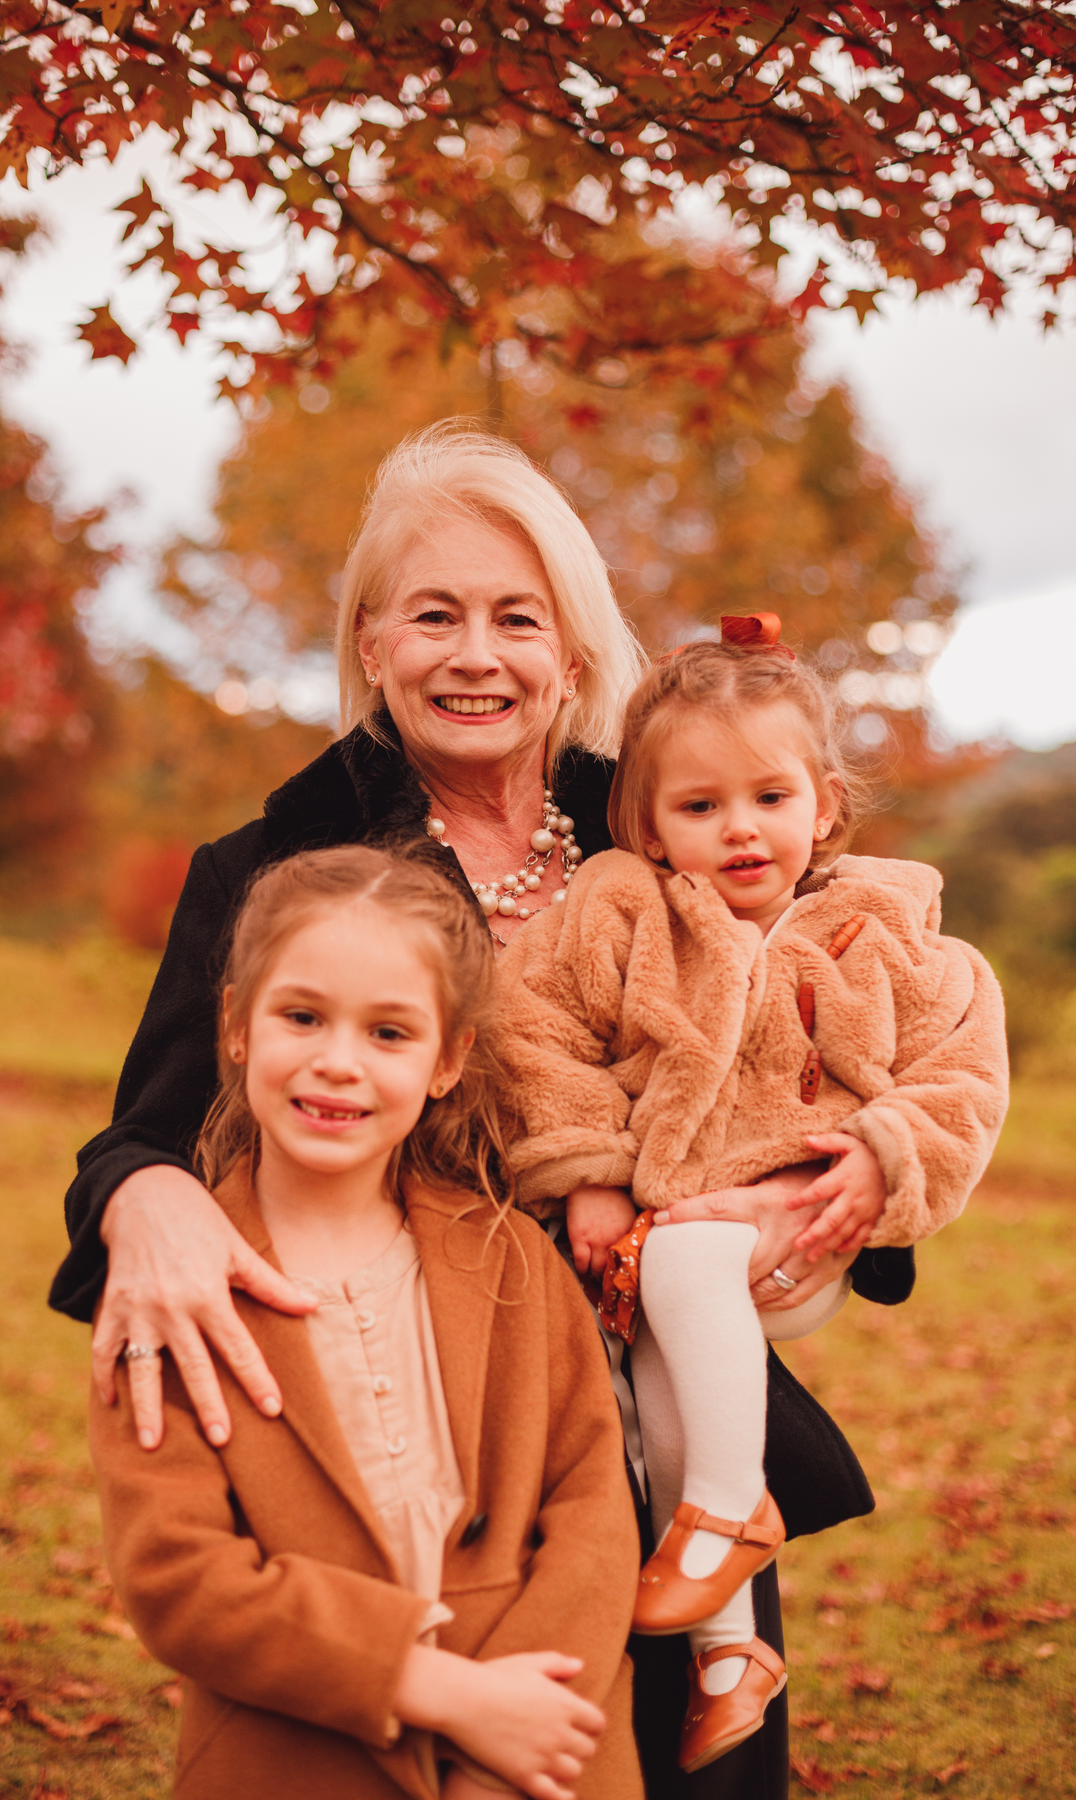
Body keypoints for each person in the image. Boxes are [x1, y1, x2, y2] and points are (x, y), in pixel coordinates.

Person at [53, 422, 915, 1798]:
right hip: (435, 1417)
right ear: (372, 641)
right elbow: (143, 1134)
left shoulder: (666, 811)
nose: (476, 655)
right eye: (434, 616)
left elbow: (844, 1033)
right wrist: (138, 1196)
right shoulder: (279, 861)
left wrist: (861, 1175)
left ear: (570, 651)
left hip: (673, 1400)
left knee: (692, 1762)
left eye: (518, 618)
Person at [486, 615, 1010, 1773]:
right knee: (656, 1343)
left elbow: (964, 1068)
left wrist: (882, 1152)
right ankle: (733, 1652)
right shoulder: (623, 916)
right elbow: (535, 1032)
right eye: (700, 807)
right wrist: (585, 1172)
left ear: (822, 804)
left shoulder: (879, 931)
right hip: (661, 1221)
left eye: (769, 798)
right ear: (646, 823)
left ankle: (729, 1514)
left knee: (677, 1271)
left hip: (807, 1220)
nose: (740, 830)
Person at [89, 845, 643, 1800]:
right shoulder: (170, 1289)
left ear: (448, 1059)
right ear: (236, 1026)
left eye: (390, 1033)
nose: (337, 1062)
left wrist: (504, 1739)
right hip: (295, 1756)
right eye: (302, 1017)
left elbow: (593, 1508)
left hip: (539, 1748)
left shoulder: (515, 1262)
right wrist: (435, 1691)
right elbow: (177, 1576)